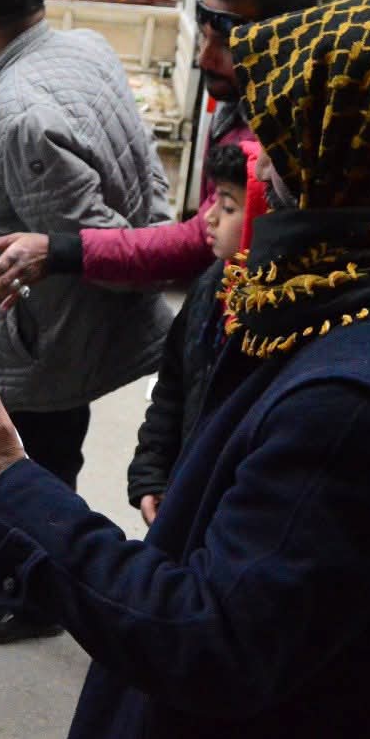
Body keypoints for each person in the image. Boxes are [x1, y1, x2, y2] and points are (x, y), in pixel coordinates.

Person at [0, 0, 370, 739]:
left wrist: (4, 484)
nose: (262, 162)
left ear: (357, 152)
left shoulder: (364, 401)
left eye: (285, 140)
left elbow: (205, 637)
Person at [0, 0, 174, 644]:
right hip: (58, 337)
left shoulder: (21, 115)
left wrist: (149, 245)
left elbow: (88, 237)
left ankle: (38, 598)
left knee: (33, 475)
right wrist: (159, 227)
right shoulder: (84, 47)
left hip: (38, 348)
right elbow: (145, 169)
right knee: (53, 459)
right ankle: (33, 583)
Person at [0, 0, 316, 309]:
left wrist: (60, 250)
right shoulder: (239, 103)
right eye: (204, 38)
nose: (204, 58)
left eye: (227, 46)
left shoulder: (279, 142)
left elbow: (197, 241)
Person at [127, 142, 266, 526]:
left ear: (263, 216)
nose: (210, 217)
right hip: (183, 490)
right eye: (214, 201)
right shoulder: (211, 286)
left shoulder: (275, 319)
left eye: (229, 207)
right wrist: (152, 473)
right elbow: (173, 387)